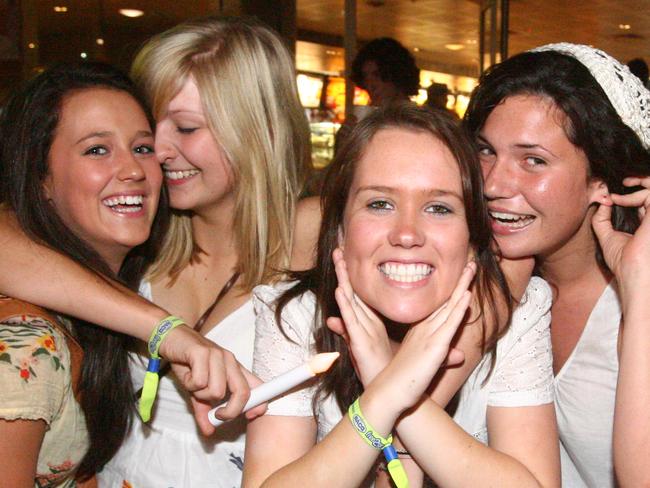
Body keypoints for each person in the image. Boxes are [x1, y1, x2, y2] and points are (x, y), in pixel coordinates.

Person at [0, 16, 315, 487]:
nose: (157, 151)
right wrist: (169, 333)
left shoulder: (316, 233)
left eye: (185, 128)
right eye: (151, 130)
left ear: (256, 131)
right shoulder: (135, 243)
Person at [244, 104, 560, 487]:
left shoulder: (519, 315)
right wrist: (385, 396)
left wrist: (387, 379)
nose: (407, 234)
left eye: (439, 208)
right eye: (380, 204)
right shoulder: (296, 315)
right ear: (339, 228)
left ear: (473, 241)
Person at [464, 43, 650, 487]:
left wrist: (640, 283)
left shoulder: (637, 296)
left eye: (533, 160)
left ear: (601, 180)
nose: (492, 183)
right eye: (486, 151)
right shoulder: (467, 273)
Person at [0, 62, 164, 487]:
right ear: (42, 180)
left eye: (143, 148)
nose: (133, 170)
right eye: (97, 150)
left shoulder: (105, 306)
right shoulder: (28, 347)